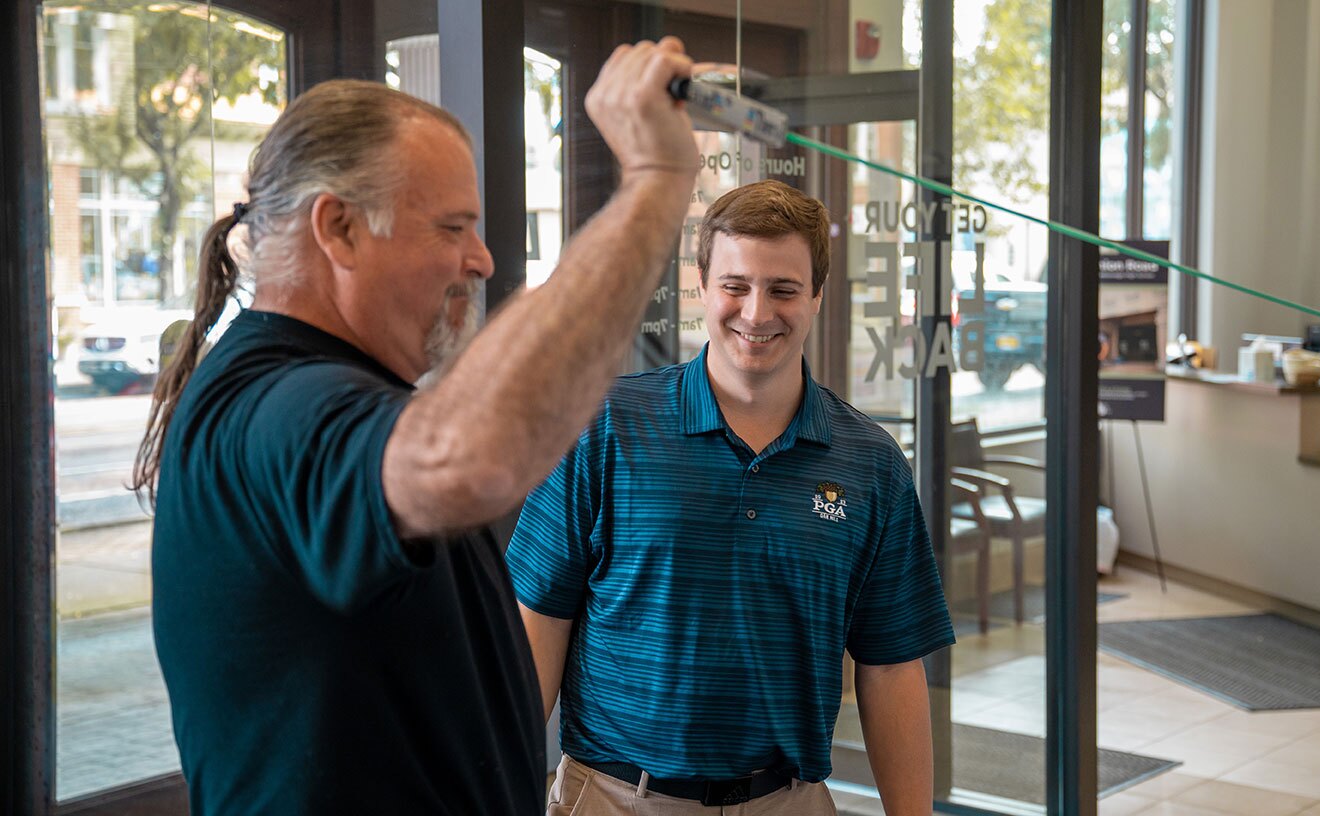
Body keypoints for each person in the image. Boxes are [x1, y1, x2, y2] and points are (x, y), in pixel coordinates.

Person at [133, 39, 700, 814]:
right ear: (339, 230)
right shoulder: (271, 407)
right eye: (453, 227)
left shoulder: (340, 393)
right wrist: (656, 182)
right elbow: (472, 457)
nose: (484, 258)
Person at [508, 180, 956, 815]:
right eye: (736, 286)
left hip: (789, 801)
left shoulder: (870, 463)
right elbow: (539, 622)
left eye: (783, 289)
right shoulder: (604, 426)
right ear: (701, 287)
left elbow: (890, 666)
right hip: (614, 798)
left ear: (817, 297)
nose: (756, 313)